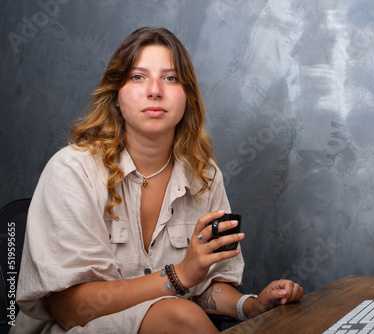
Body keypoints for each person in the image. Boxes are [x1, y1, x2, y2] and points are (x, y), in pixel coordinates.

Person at [12, 27, 303, 333]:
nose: (155, 90)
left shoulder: (205, 175)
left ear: (187, 96)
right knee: (180, 315)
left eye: (170, 77)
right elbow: (71, 311)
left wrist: (249, 306)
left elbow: (203, 288)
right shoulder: (72, 170)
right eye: (138, 77)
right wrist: (177, 275)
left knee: (182, 313)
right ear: (115, 97)